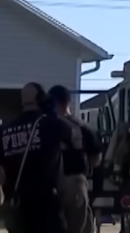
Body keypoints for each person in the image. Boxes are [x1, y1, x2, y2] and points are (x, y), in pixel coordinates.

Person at [0, 82, 70, 233]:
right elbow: (75, 141)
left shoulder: (4, 131)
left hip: (17, 206)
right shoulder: (52, 124)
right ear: (41, 99)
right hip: (46, 205)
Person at [48, 86, 100, 233]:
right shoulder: (82, 126)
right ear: (68, 103)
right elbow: (96, 157)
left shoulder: (46, 126)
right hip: (76, 181)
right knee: (80, 225)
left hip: (52, 183)